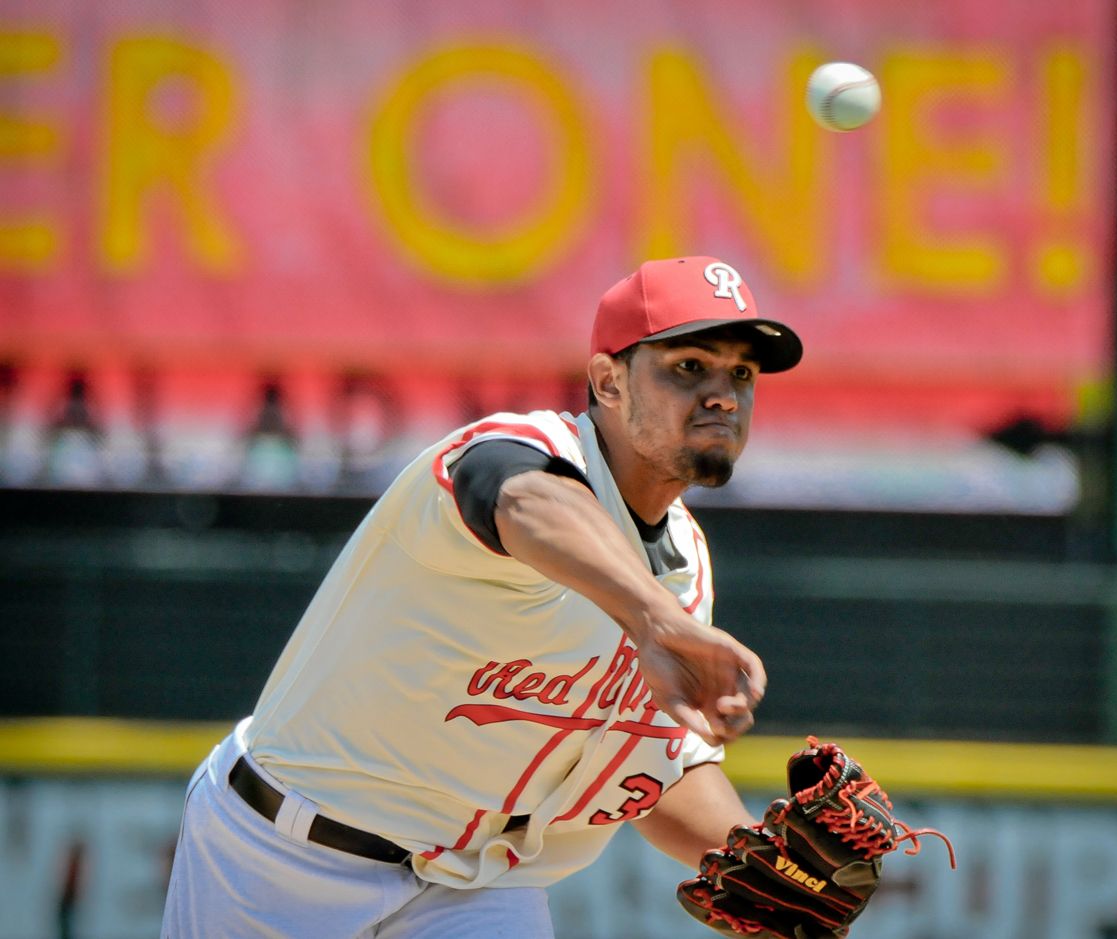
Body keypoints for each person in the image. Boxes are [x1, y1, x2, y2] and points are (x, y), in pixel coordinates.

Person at [161, 255, 804, 938]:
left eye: (741, 373)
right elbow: (517, 495)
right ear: (608, 382)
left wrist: (765, 863)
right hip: (279, 858)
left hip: (473, 886)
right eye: (689, 366)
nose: (723, 394)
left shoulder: (685, 565)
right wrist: (651, 617)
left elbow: (647, 767)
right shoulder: (523, 451)